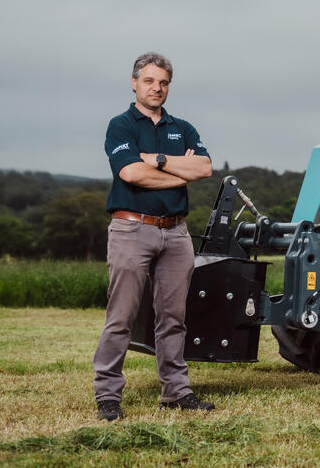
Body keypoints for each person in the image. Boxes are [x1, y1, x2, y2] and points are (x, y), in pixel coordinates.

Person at [93, 52, 214, 421]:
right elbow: (130, 173)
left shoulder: (183, 128)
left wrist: (158, 160)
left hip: (176, 231)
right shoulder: (121, 125)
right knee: (122, 315)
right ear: (134, 82)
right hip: (132, 228)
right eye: (149, 81)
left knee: (173, 318)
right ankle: (108, 395)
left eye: (162, 82)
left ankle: (176, 393)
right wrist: (181, 172)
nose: (156, 88)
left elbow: (205, 167)